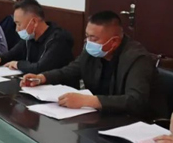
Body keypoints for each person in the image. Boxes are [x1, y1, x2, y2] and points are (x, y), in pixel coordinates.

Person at [22, 11, 167, 117]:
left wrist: (89, 100)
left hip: (139, 122)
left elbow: (135, 101)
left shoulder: (138, 58)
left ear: (114, 42)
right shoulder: (93, 51)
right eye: (87, 36)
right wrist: (42, 78)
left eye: (94, 38)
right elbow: (71, 70)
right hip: (105, 116)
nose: (88, 42)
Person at [0, 0, 74, 74]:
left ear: (34, 22)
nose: (16, 29)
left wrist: (18, 64)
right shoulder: (30, 37)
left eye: (19, 24)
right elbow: (12, 54)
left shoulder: (58, 39)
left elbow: (40, 68)